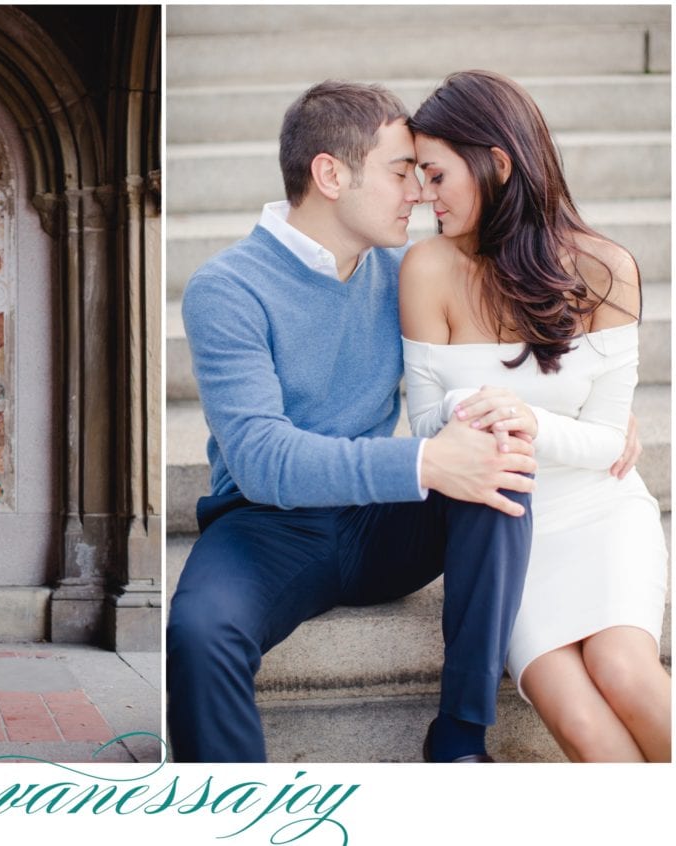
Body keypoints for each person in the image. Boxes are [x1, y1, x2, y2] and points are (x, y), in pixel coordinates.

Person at [168, 80, 546, 764]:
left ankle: (459, 743)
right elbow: (261, 456)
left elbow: (509, 340)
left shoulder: (405, 270)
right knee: (198, 632)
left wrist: (583, 409)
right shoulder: (227, 287)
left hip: (380, 519)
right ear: (330, 174)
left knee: (500, 463)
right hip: (266, 525)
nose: (420, 193)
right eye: (401, 172)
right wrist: (425, 462)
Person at [401, 70, 671, 762]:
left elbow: (612, 442)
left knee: (626, 672)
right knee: (578, 719)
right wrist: (470, 405)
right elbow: (427, 424)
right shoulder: (426, 268)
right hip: (507, 534)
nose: (424, 197)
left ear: (496, 163)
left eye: (436, 175)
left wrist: (526, 419)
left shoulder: (606, 269)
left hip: (601, 512)